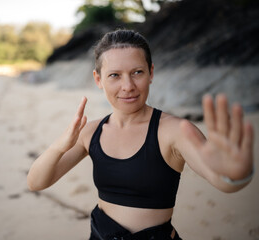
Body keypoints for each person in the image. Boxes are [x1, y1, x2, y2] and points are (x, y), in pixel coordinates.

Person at [27, 29, 255, 240]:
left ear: (151, 72)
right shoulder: (91, 132)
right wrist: (60, 145)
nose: (128, 86)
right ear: (98, 79)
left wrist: (237, 173)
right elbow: (37, 182)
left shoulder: (174, 131)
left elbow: (223, 181)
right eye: (115, 75)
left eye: (137, 72)